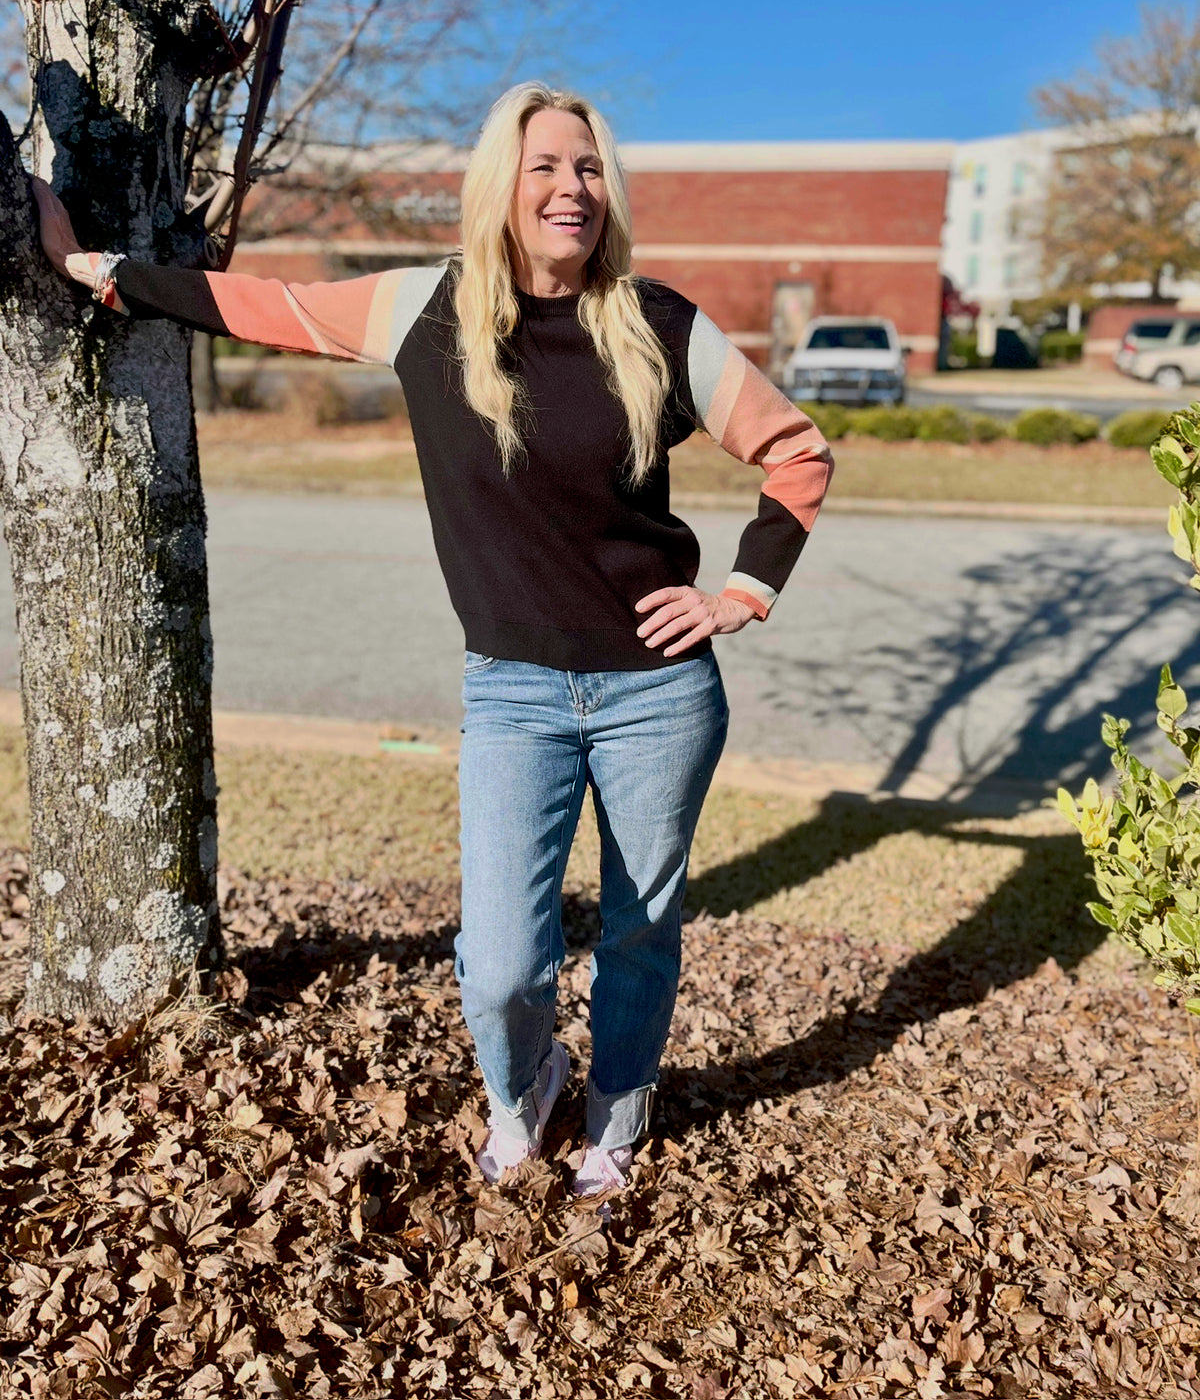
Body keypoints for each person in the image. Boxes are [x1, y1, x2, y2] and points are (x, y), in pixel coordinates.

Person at [34, 82, 833, 1197]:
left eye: (590, 166)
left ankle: (618, 1102)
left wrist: (739, 592)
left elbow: (797, 451)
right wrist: (98, 270)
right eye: (546, 165)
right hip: (514, 691)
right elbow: (263, 303)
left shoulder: (658, 324)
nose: (572, 187)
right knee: (505, 959)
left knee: (642, 928)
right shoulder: (427, 311)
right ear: (499, 185)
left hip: (660, 692)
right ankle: (529, 1082)